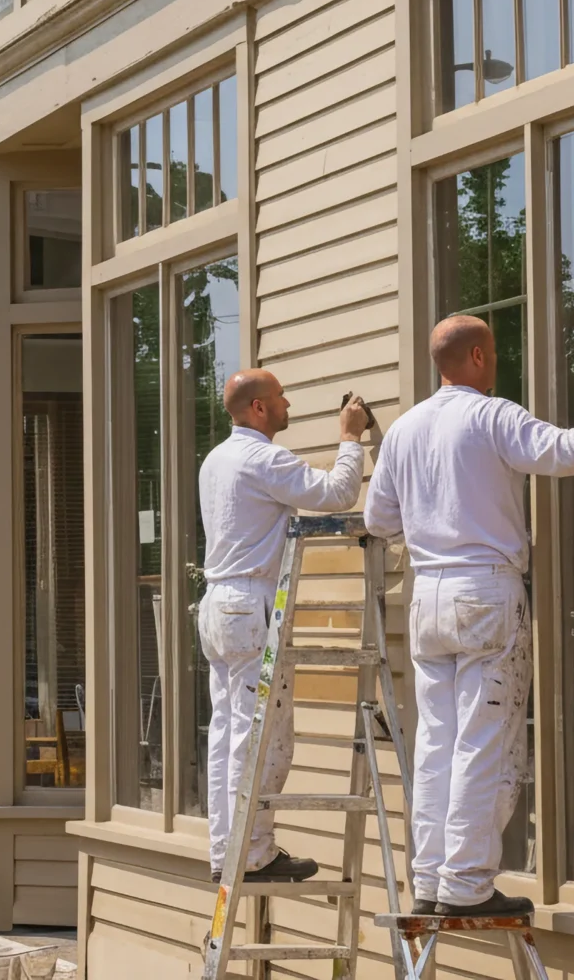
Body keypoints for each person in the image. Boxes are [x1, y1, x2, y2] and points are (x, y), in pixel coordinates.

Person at [364, 315, 574, 917]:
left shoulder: (406, 430)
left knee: (437, 742)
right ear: (480, 358)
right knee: (485, 741)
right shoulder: (491, 416)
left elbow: (379, 521)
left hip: (427, 597)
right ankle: (467, 885)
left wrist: (432, 508)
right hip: (484, 593)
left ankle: (432, 881)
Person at [197, 369, 372, 883]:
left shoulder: (215, 459)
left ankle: (225, 852)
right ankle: (251, 853)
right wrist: (350, 435)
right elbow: (337, 492)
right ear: (257, 409)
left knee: (229, 732)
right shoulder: (261, 458)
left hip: (218, 605)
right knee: (261, 735)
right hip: (249, 605)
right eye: (279, 397)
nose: (288, 401)